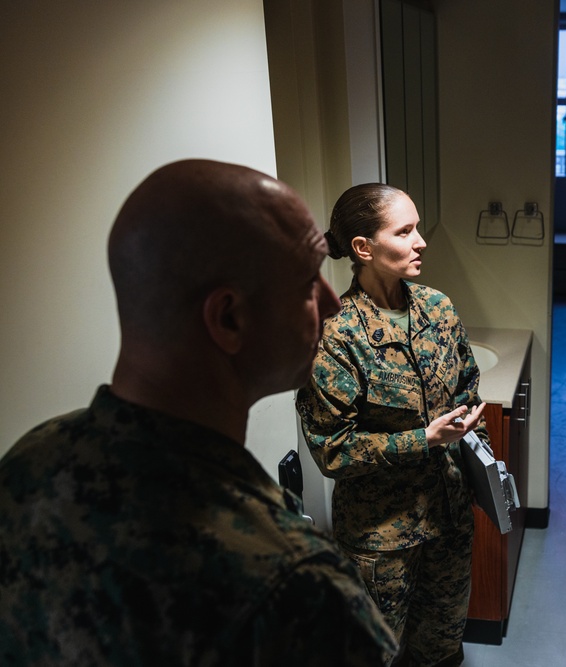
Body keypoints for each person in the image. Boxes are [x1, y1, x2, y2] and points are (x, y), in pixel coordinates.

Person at [0, 159, 397, 666]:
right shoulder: (294, 588)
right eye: (306, 283)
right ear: (229, 317)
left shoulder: (27, 466)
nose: (332, 304)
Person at [295, 183, 488, 667]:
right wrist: (421, 439)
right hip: (381, 543)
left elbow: (467, 385)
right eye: (405, 231)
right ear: (364, 248)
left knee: (441, 651)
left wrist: (474, 439)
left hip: (448, 520)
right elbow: (331, 449)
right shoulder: (338, 336)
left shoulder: (437, 309)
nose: (421, 241)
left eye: (417, 227)